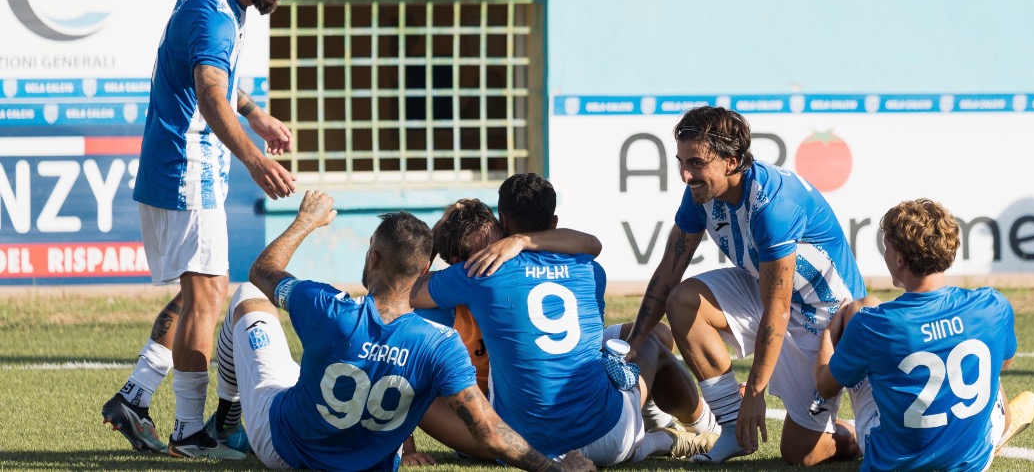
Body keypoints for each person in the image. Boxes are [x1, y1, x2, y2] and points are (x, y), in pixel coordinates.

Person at [102, 0, 315, 458]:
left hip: (184, 167)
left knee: (199, 290)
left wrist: (257, 114)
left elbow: (220, 76)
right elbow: (209, 92)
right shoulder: (213, 13)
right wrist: (253, 160)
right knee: (208, 296)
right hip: (186, 169)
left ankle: (136, 394)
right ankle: (190, 433)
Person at [209, 190, 594, 472]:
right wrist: (554, 471)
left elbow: (262, 270)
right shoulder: (440, 344)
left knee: (246, 293)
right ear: (428, 269)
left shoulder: (328, 307)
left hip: (286, 451)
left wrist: (306, 220)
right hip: (369, 462)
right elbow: (491, 433)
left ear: (373, 257)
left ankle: (223, 423)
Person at [412, 175, 719, 466]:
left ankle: (659, 428)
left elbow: (402, 291)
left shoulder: (475, 276)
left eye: (494, 247)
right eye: (476, 254)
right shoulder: (584, 268)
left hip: (521, 429)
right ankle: (683, 430)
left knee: (654, 335)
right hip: (553, 427)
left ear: (504, 229)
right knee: (646, 343)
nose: (487, 256)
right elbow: (592, 244)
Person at [625, 106, 868, 465]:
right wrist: (634, 343)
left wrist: (755, 390)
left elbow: (779, 307)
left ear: (732, 161)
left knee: (801, 455)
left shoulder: (773, 205)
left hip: (824, 314)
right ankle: (728, 428)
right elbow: (668, 271)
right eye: (681, 161)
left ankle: (856, 435)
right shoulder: (699, 192)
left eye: (695, 163)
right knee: (683, 301)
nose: (685, 174)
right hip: (768, 289)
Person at [814, 199, 1034, 472]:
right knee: (988, 361)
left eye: (886, 247)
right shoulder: (992, 304)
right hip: (972, 462)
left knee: (860, 308)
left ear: (899, 259)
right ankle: (1001, 426)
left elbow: (825, 387)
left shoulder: (873, 324)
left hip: (896, 464)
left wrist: (828, 334)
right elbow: (1004, 364)